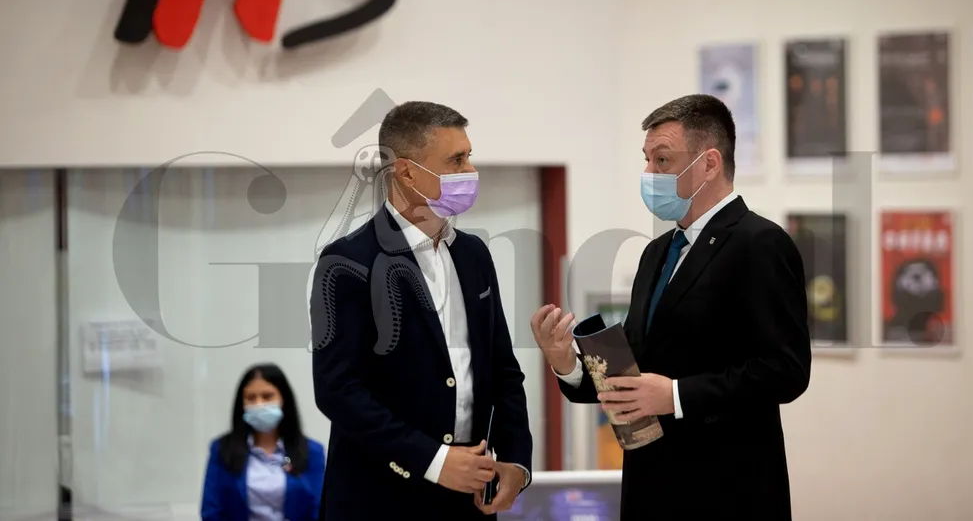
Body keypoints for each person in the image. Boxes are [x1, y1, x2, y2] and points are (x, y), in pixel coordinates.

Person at [531, 94, 811, 520]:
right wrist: (566, 362)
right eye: (646, 160)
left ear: (709, 164)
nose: (648, 173)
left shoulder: (760, 243)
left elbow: (786, 370)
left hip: (728, 490)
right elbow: (636, 370)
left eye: (662, 160)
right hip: (650, 486)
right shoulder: (658, 251)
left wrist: (676, 395)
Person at [311, 101, 533, 520]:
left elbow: (503, 369)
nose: (470, 170)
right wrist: (433, 460)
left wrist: (516, 459)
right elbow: (338, 390)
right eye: (456, 160)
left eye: (469, 156)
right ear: (407, 172)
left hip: (469, 498)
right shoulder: (347, 261)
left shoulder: (474, 254)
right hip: (379, 499)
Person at [201, 363, 325, 521]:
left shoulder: (312, 452)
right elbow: (211, 511)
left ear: (284, 399)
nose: (259, 404)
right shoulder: (222, 449)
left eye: (267, 396)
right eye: (250, 398)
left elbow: (318, 510)